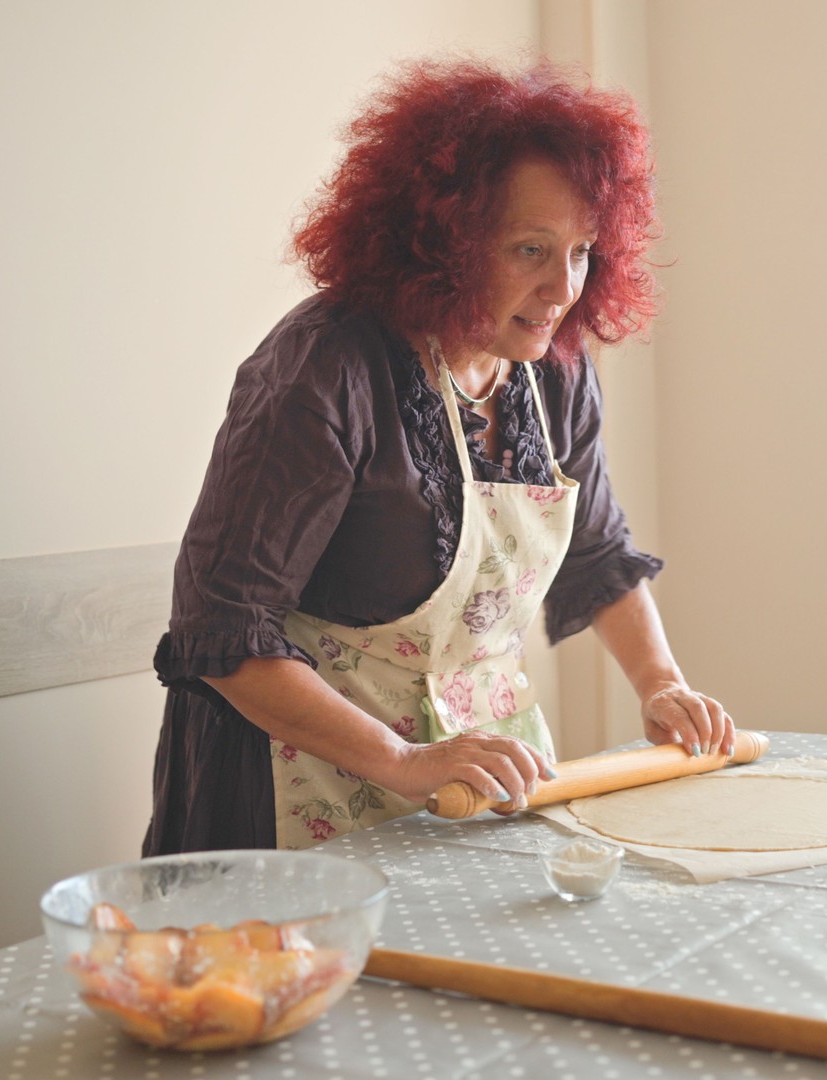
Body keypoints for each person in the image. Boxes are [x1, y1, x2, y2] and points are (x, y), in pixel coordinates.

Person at [143, 57, 735, 855]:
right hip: (292, 791)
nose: (563, 289)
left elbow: (596, 552)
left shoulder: (553, 370)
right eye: (530, 249)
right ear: (443, 243)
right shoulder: (326, 368)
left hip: (480, 778)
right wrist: (402, 759)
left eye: (583, 250)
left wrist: (663, 686)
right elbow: (220, 628)